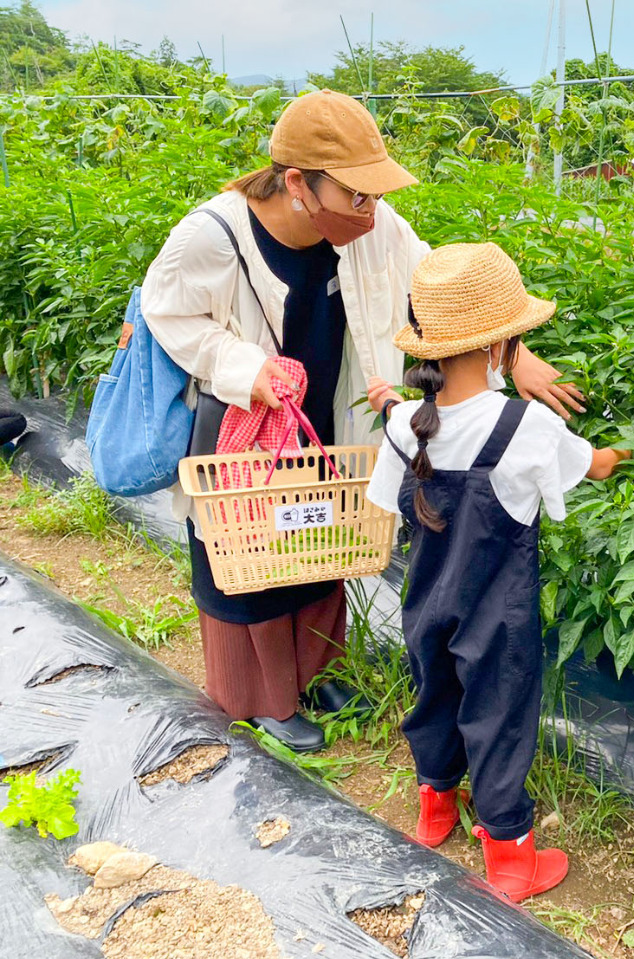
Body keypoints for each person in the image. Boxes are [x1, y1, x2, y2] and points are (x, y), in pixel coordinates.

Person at [141, 90, 584, 753]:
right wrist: (244, 368)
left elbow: (435, 285)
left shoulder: (377, 227)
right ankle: (263, 698)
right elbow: (167, 313)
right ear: (298, 184)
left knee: (319, 535)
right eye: (356, 196)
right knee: (249, 547)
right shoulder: (213, 237)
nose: (370, 210)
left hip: (322, 415)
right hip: (247, 425)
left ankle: (319, 675)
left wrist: (514, 355)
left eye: (375, 194)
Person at [364, 241, 628, 900]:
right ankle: (510, 854)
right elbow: (588, 465)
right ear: (501, 345)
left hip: (424, 601)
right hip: (496, 616)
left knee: (435, 698)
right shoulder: (525, 424)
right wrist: (621, 452)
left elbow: (382, 496)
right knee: (500, 715)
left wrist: (388, 404)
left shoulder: (403, 423)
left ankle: (435, 810)